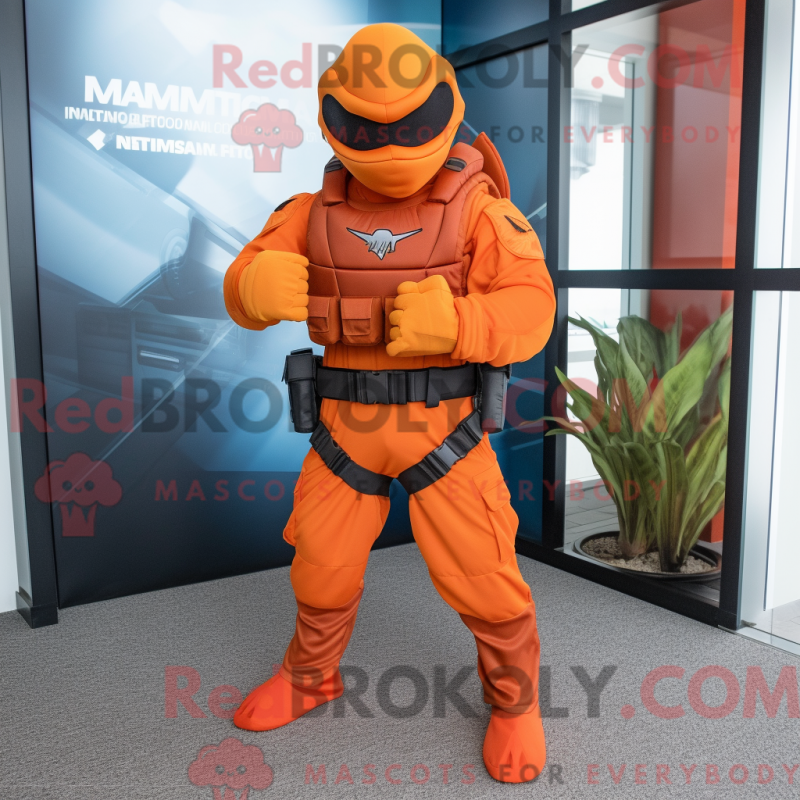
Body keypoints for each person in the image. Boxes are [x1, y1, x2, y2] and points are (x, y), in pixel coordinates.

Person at [223, 23, 555, 784]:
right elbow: (243, 276)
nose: (390, 142)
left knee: (484, 575)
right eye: (368, 127)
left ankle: (514, 702)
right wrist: (252, 288)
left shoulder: (481, 212)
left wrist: (462, 323)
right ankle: (311, 675)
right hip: (344, 432)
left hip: (446, 433)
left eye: (409, 123)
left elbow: (533, 308)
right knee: (321, 568)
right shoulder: (309, 210)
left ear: (445, 107)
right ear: (333, 117)